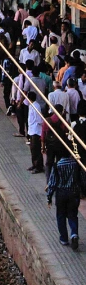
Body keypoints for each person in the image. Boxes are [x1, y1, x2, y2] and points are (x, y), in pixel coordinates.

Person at [47, 105, 86, 250]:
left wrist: (49, 197)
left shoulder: (58, 165)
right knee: (73, 215)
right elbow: (82, 178)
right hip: (74, 192)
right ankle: (74, 234)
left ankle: (64, 238)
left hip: (61, 193)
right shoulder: (75, 164)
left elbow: (52, 182)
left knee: (61, 216)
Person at [42, 104, 67, 180]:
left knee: (49, 163)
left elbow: (43, 135)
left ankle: (49, 181)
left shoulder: (47, 120)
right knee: (59, 163)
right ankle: (59, 180)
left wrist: (43, 147)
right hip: (60, 146)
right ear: (61, 111)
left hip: (50, 145)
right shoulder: (64, 122)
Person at [26, 92, 44, 173]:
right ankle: (34, 164)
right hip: (32, 130)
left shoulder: (36, 106)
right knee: (32, 149)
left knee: (36, 149)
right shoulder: (32, 105)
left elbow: (39, 119)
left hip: (36, 130)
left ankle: (38, 166)